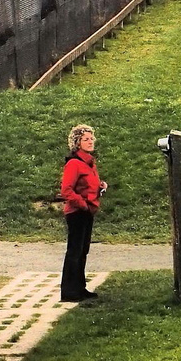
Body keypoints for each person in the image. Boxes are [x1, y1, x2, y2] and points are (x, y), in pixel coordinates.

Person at [59, 123, 107, 302]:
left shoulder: (89, 163)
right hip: (77, 212)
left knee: (82, 250)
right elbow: (67, 190)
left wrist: (100, 187)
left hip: (88, 211)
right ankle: (69, 291)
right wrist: (83, 204)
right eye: (86, 139)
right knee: (74, 250)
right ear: (77, 142)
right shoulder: (74, 163)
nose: (90, 141)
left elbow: (88, 185)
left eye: (91, 138)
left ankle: (80, 288)